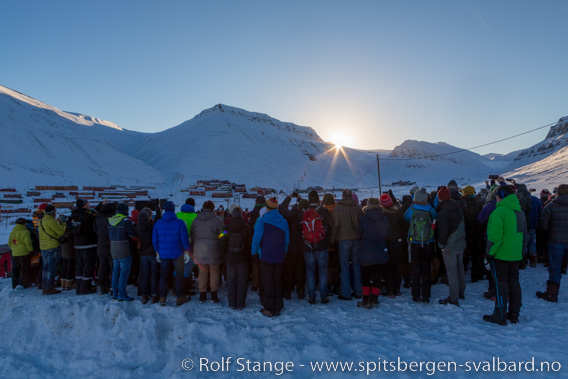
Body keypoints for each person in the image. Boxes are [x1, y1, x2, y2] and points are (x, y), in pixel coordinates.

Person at [483, 185, 527, 325]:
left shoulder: (499, 212)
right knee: (514, 283)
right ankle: (514, 313)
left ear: (500, 195)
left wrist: (489, 254)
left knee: (500, 285)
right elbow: (524, 235)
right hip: (515, 254)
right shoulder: (519, 211)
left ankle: (499, 314)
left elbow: (495, 237)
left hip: (501, 255)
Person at [252, 197, 290, 317]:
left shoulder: (263, 221)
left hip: (266, 256)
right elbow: (286, 241)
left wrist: (254, 253)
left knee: (268, 282)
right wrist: (283, 252)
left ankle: (269, 308)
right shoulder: (283, 221)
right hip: (279, 256)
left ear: (267, 208)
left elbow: (256, 240)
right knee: (277, 281)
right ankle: (278, 306)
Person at [153, 201, 191, 306]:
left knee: (163, 276)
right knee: (179, 275)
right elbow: (184, 239)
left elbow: (155, 239)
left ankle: (163, 297)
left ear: (164, 209)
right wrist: (187, 251)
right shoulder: (180, 223)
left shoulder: (158, 223)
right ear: (174, 210)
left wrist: (157, 251)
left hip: (163, 254)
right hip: (178, 253)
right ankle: (179, 297)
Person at [404, 188, 437, 304]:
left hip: (414, 243)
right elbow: (435, 216)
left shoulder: (412, 210)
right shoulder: (429, 209)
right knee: (426, 269)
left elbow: (406, 217)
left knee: (416, 269)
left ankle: (415, 294)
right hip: (428, 242)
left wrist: (412, 205)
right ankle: (426, 295)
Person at [536, 184, 568, 302]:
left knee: (555, 267)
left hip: (556, 240)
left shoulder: (551, 207)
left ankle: (552, 293)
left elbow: (543, 224)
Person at [436, 186, 466, 306]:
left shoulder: (444, 212)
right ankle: (461, 291)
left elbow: (443, 231)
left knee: (452, 271)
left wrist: (441, 244)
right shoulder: (458, 208)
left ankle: (453, 297)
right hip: (460, 242)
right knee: (459, 268)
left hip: (450, 245)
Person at [357, 198, 390, 308]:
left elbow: (359, 233)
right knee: (377, 276)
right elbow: (388, 233)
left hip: (367, 251)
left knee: (365, 276)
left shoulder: (363, 219)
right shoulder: (384, 218)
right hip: (381, 251)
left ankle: (365, 300)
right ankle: (375, 299)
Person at [330, 189, 363, 301]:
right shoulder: (358, 208)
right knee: (356, 265)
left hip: (343, 240)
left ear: (343, 195)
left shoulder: (338, 209)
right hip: (357, 239)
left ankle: (345, 293)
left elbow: (335, 226)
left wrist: (332, 239)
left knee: (344, 267)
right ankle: (358, 291)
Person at [191, 200, 225, 303]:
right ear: (213, 208)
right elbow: (223, 233)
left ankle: (202, 294)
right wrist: (218, 238)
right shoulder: (218, 220)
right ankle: (213, 295)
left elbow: (192, 235)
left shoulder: (196, 220)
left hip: (199, 250)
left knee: (202, 272)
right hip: (214, 249)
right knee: (214, 272)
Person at [302, 191, 332, 304]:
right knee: (323, 272)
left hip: (308, 246)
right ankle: (324, 296)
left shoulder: (304, 213)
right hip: (322, 246)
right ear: (318, 199)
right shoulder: (324, 211)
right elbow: (331, 225)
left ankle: (311, 297)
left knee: (310, 272)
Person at [278, 193, 307, 300]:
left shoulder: (288, 216)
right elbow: (306, 206)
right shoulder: (303, 216)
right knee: (300, 269)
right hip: (301, 246)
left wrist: (289, 197)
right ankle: (300, 291)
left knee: (288, 270)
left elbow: (281, 207)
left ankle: (287, 291)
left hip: (289, 246)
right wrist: (299, 199)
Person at [380, 193, 408, 298]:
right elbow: (404, 227)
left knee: (388, 268)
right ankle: (397, 288)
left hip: (387, 244)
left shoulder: (382, 215)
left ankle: (389, 289)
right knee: (397, 267)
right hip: (398, 242)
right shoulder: (398, 213)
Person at [225, 206, 253, 309]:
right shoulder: (247, 228)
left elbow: (222, 239)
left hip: (230, 258)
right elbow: (250, 244)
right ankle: (240, 304)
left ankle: (232, 303)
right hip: (243, 258)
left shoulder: (227, 228)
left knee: (231, 281)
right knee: (242, 281)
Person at [108, 203, 136, 301]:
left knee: (115, 271)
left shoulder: (110, 221)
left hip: (113, 249)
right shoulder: (126, 221)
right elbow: (132, 235)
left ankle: (115, 293)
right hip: (124, 249)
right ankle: (122, 293)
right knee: (124, 272)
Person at [70, 199, 98, 295]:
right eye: (87, 203)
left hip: (78, 244)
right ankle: (85, 287)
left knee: (79, 267)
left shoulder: (74, 215)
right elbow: (96, 220)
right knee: (88, 267)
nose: (89, 204)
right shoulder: (89, 215)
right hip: (89, 243)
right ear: (83, 205)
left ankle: (79, 287)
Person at [38, 205, 66, 295]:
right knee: (52, 268)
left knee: (45, 268)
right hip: (52, 247)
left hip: (43, 247)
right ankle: (50, 288)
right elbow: (61, 232)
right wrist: (63, 223)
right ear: (53, 213)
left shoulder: (41, 221)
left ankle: (45, 286)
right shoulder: (51, 221)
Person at [136, 208, 159, 304]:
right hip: (152, 253)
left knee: (144, 275)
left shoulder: (137, 227)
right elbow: (158, 219)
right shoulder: (151, 226)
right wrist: (157, 208)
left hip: (143, 254)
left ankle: (144, 295)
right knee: (154, 275)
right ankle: (154, 295)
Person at [177, 198, 198, 296]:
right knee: (189, 266)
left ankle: (178, 286)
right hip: (190, 245)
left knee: (178, 266)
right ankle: (186, 288)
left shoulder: (177, 215)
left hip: (177, 244)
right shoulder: (195, 217)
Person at [94, 203, 116, 295]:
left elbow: (95, 230)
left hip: (101, 245)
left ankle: (102, 286)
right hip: (111, 245)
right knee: (113, 267)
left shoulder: (97, 219)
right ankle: (112, 286)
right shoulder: (113, 219)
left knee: (102, 267)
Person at [8, 218, 33, 289]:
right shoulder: (25, 232)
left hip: (14, 253)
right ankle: (23, 284)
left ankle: (15, 285)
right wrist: (30, 250)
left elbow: (9, 243)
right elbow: (28, 243)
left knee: (15, 269)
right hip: (24, 253)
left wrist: (14, 249)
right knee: (24, 269)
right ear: (24, 224)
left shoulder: (12, 232)